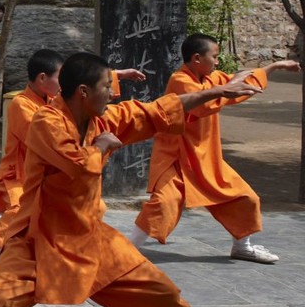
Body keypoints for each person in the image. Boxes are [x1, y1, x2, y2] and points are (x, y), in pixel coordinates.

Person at [0, 52, 261, 307]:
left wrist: (217, 91)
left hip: (90, 237)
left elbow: (157, 110)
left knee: (162, 296)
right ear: (83, 91)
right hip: (37, 238)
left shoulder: (102, 119)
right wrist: (101, 147)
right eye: (107, 87)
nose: (111, 93)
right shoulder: (47, 121)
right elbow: (78, 165)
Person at [0, 51, 146, 284]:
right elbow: (47, 138)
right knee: (17, 214)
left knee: (91, 207)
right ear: (43, 78)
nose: (64, 84)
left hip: (47, 175)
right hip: (19, 175)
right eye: (60, 77)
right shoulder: (21, 104)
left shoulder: (49, 101)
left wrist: (116, 76)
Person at [128, 33, 300, 263]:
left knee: (244, 197)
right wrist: (228, 88)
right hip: (176, 157)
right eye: (215, 56)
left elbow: (240, 82)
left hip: (206, 156)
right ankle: (127, 249)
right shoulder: (181, 80)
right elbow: (204, 104)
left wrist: (275, 65)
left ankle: (242, 246)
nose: (218, 61)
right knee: (164, 202)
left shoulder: (210, 78)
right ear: (197, 58)